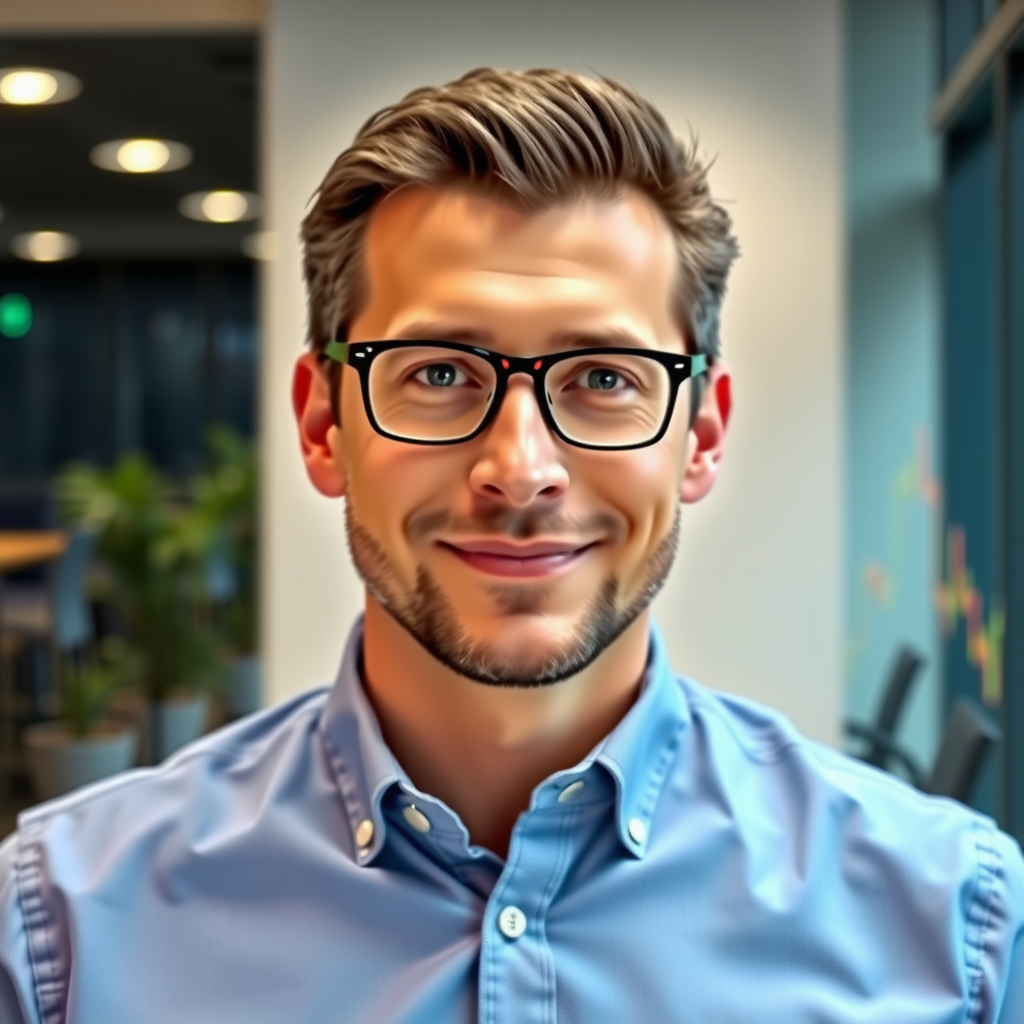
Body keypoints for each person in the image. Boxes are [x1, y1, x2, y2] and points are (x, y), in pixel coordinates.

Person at [1, 67, 1021, 1024]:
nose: (519, 469)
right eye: (439, 373)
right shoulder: (66, 933)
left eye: (605, 377)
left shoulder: (952, 929)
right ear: (322, 424)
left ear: (699, 435)